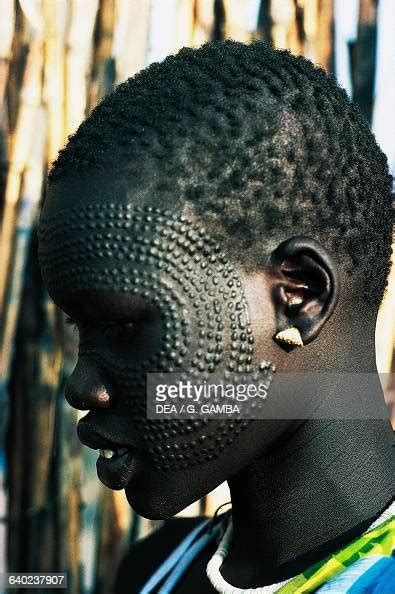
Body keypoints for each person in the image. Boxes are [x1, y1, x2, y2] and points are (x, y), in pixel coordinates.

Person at [37, 40, 394, 593]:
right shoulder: (156, 571)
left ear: (299, 296)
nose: (81, 387)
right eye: (85, 330)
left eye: (126, 327)